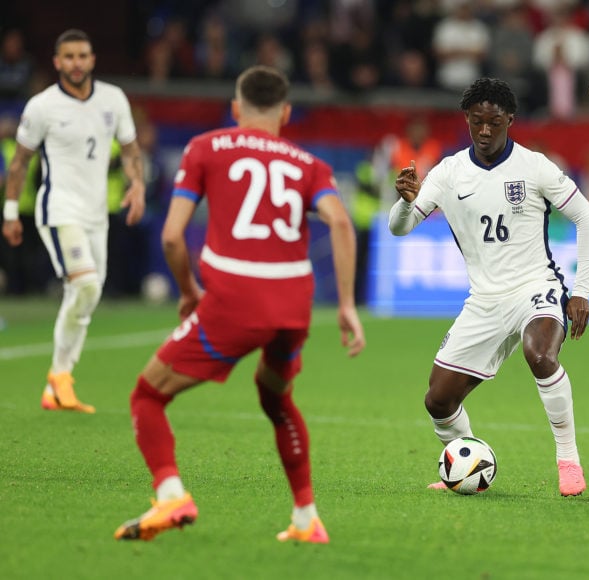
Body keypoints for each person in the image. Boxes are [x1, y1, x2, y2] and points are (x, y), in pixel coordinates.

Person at [113, 65, 366, 543]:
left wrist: (189, 292)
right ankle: (305, 517)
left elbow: (171, 237)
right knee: (276, 396)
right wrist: (348, 304)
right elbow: (341, 224)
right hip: (293, 304)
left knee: (147, 396)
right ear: (286, 113)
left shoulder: (205, 147)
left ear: (235, 109)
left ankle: (170, 496)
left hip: (234, 299)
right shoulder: (310, 165)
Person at [390, 77, 589, 496]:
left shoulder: (534, 166)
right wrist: (405, 201)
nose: (485, 131)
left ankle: (568, 460)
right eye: (477, 122)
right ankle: (463, 465)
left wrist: (581, 291)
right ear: (466, 119)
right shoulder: (449, 173)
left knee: (539, 354)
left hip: (534, 288)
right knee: (438, 401)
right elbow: (401, 227)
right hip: (483, 301)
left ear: (510, 121)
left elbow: (587, 217)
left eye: (495, 122)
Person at [1, 29, 145, 413]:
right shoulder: (43, 106)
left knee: (88, 292)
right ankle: (60, 377)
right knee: (83, 286)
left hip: (98, 214)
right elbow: (19, 163)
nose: (76, 63)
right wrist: (11, 213)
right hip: (59, 210)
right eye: (69, 57)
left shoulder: (113, 99)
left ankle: (57, 383)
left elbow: (131, 150)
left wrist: (138, 185)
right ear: (57, 62)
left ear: (92, 59)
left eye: (82, 55)